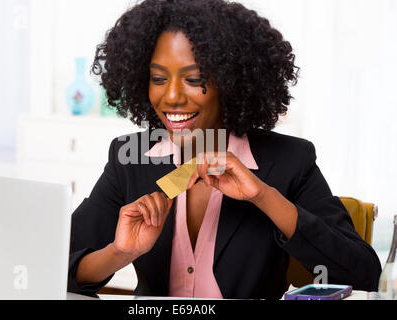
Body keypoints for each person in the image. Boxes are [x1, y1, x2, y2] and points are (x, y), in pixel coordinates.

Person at [67, 0, 381, 299]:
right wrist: (121, 252)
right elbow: (58, 266)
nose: (172, 96)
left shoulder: (288, 161)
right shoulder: (129, 157)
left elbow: (362, 274)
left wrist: (263, 196)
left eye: (194, 78)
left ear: (231, 81)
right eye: (158, 78)